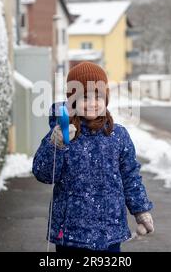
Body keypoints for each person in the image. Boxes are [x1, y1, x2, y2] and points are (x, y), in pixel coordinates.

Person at [32, 62, 154, 252]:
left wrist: (141, 210)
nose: (92, 103)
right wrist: (55, 146)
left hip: (110, 232)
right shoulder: (63, 134)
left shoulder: (118, 135)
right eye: (84, 97)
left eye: (98, 96)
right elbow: (44, 174)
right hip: (71, 235)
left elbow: (130, 176)